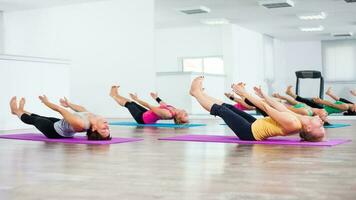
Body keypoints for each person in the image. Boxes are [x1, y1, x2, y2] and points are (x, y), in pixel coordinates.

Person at [189, 76, 325, 142]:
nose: (322, 121)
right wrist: (263, 94)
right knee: (228, 107)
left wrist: (244, 93)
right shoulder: (298, 120)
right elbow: (279, 106)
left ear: (308, 128)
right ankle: (203, 94)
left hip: (249, 133)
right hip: (255, 125)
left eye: (320, 126)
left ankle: (196, 93)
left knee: (222, 111)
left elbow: (265, 107)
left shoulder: (293, 124)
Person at [9, 96, 111, 140]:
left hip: (54, 132)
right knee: (41, 117)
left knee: (35, 120)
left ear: (93, 128)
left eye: (103, 129)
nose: (107, 126)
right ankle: (21, 111)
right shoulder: (94, 118)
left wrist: (45, 102)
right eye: (107, 128)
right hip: (61, 124)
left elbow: (60, 109)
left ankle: (16, 111)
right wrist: (69, 104)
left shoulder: (79, 123)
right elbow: (83, 110)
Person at [109, 86, 189, 124]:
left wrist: (137, 99)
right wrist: (156, 98)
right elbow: (164, 105)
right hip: (146, 114)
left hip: (142, 119)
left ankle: (113, 95)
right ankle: (116, 94)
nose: (186, 114)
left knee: (128, 104)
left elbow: (149, 105)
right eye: (187, 115)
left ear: (178, 118)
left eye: (185, 116)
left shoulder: (167, 114)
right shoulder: (173, 110)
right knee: (131, 102)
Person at [286, 86, 355, 115]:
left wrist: (321, 101)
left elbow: (331, 104)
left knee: (305, 102)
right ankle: (289, 94)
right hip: (322, 109)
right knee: (306, 101)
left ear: (353, 110)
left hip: (322, 110)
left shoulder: (345, 106)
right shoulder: (347, 105)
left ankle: (288, 98)